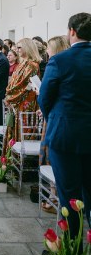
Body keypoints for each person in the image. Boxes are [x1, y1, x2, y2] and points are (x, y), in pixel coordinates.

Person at [38, 12, 91, 216]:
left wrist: (56, 118)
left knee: (70, 196)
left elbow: (44, 98)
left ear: (72, 31)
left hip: (65, 135)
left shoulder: (60, 60)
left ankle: (72, 247)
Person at [3, 38, 42, 148]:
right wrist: (9, 95)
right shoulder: (22, 63)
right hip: (17, 101)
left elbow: (22, 85)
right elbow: (13, 82)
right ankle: (11, 157)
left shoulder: (32, 65)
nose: (17, 50)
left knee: (23, 128)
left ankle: (20, 157)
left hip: (25, 102)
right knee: (14, 127)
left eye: (20, 47)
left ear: (28, 48)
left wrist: (9, 96)